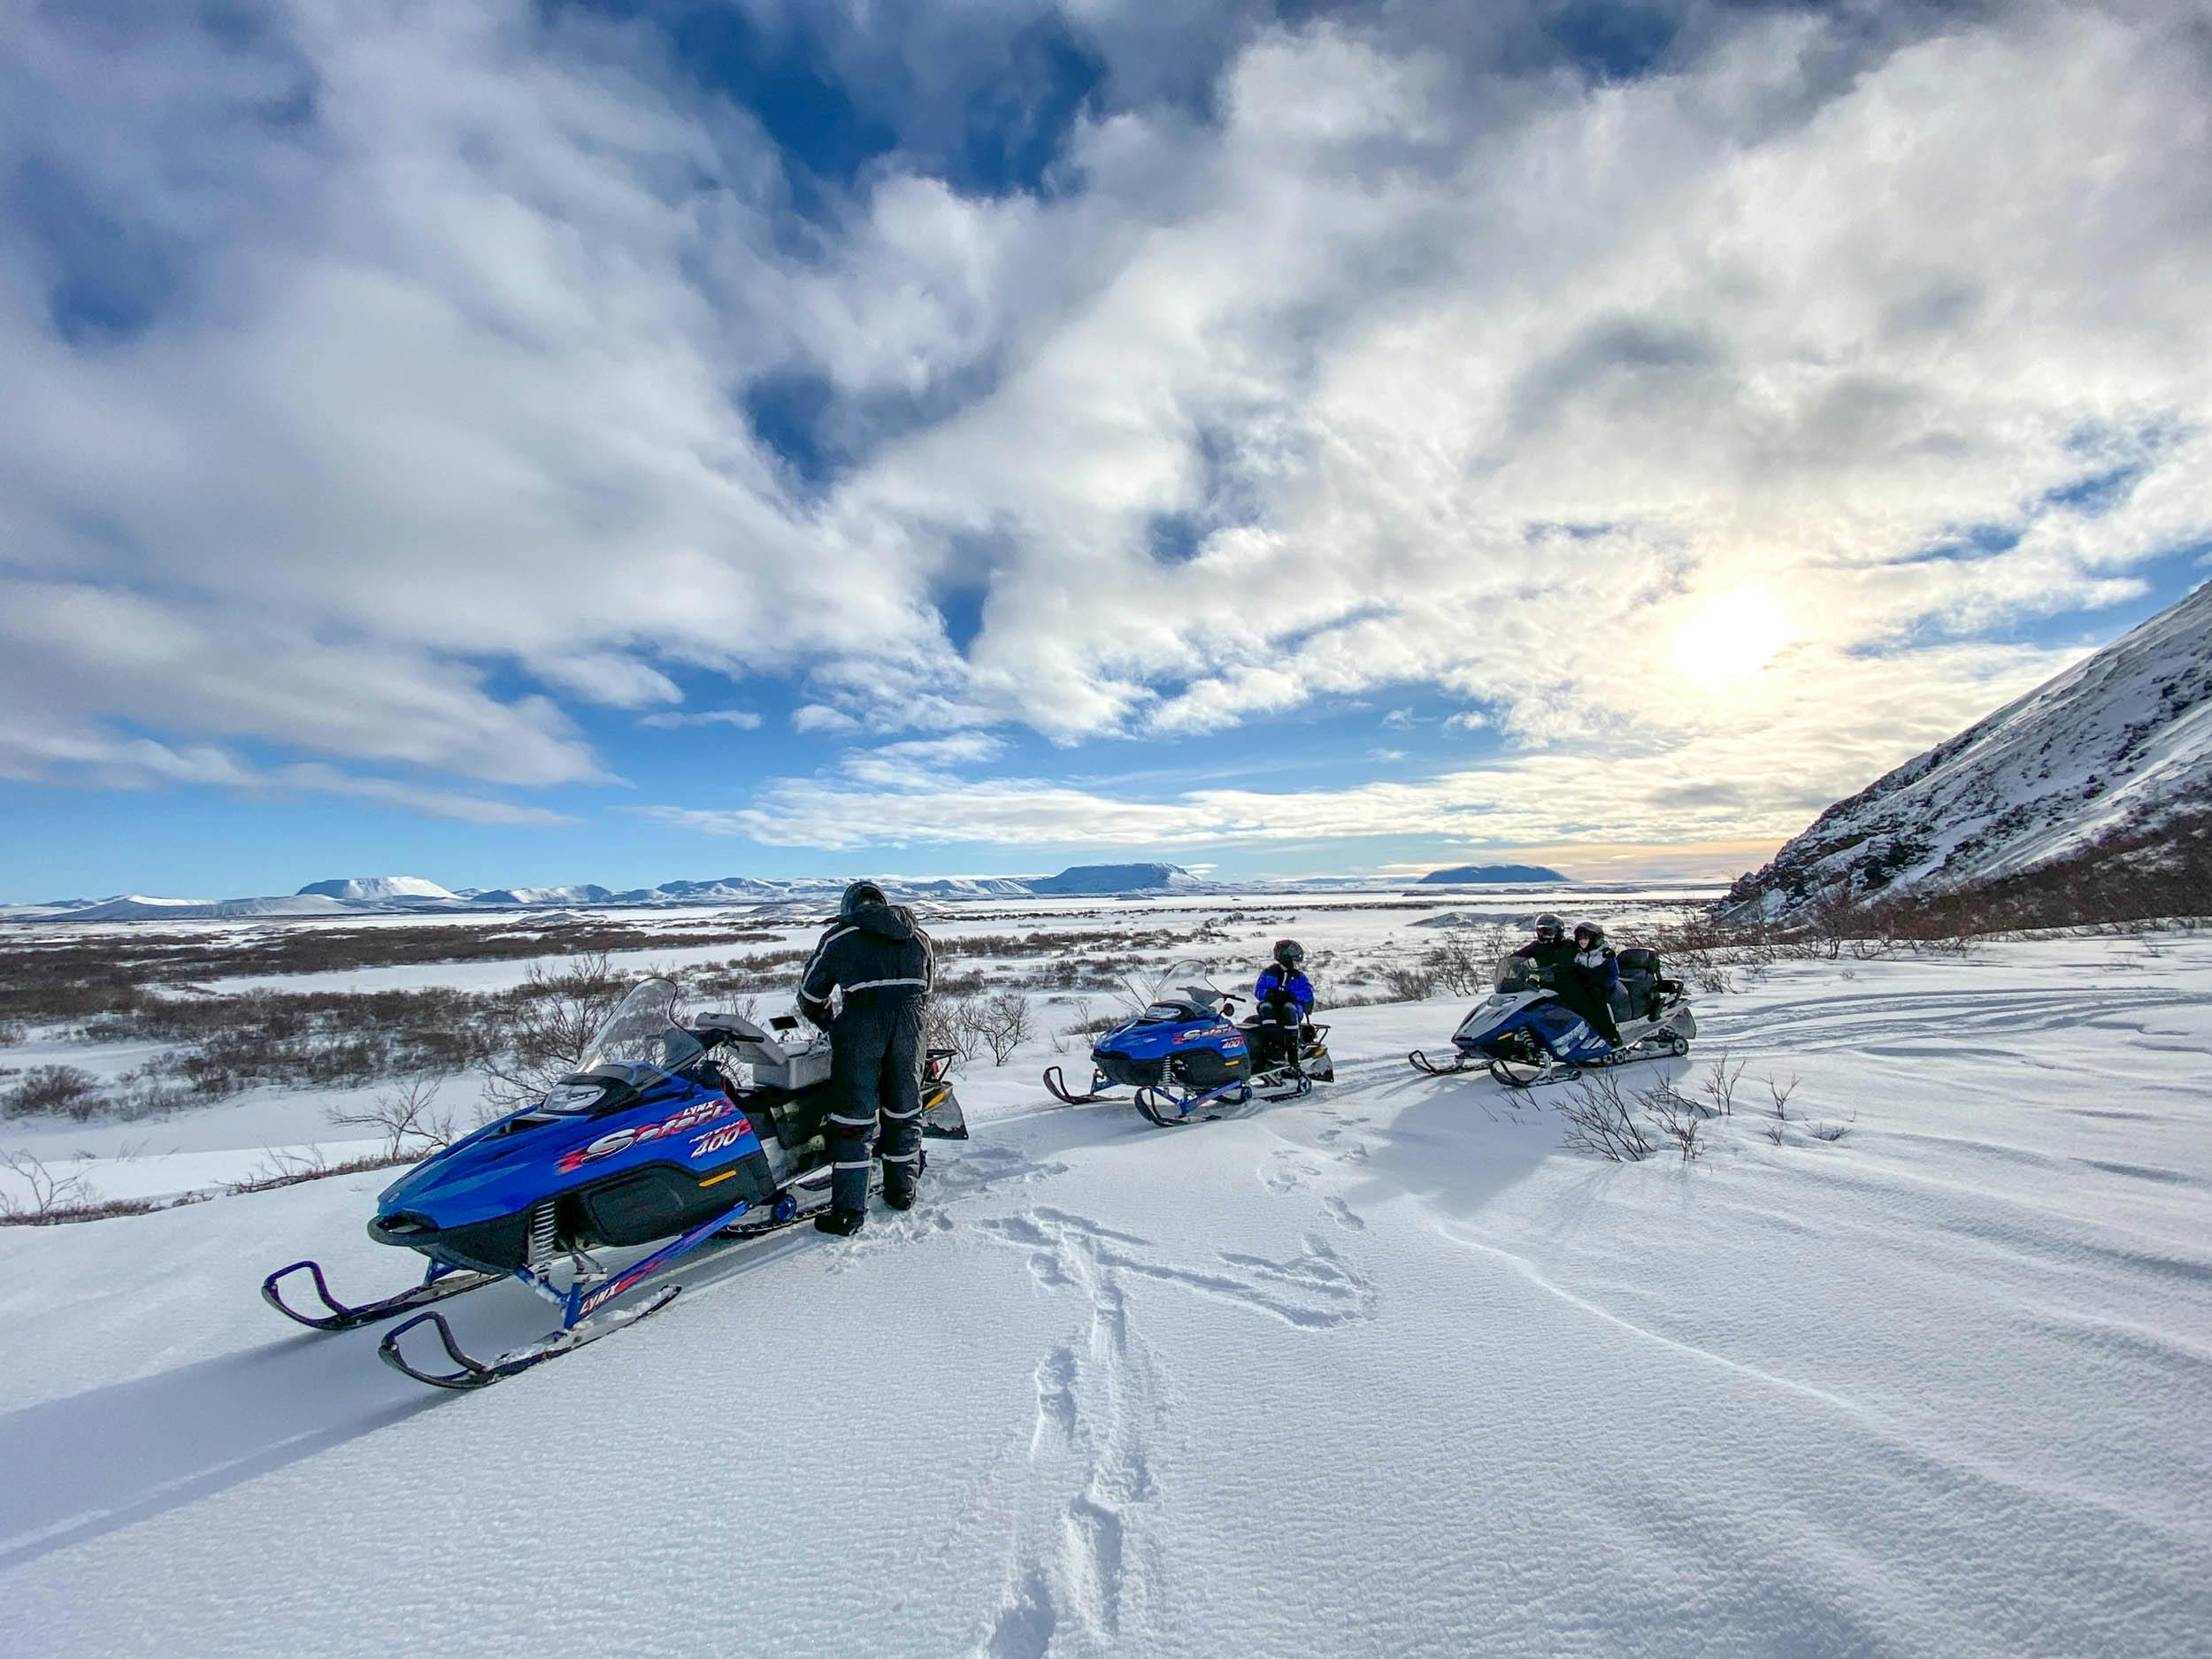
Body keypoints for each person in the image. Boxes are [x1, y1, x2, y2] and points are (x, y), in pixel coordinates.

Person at [796, 879, 934, 1236]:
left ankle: (848, 1213)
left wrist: (830, 1024)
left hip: (861, 1031)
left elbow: (810, 994)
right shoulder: (919, 937)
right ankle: (902, 1192)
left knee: (853, 1121)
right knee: (904, 1112)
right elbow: (927, 988)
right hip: (912, 1029)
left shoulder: (839, 938)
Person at [1557, 920, 1624, 1049]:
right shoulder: (1578, 954)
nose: (1582, 942)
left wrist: (1606, 986)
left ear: (1593, 939)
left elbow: (1614, 973)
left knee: (1597, 1001)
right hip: (1585, 986)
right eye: (1580, 939)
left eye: (1585, 939)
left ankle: (1611, 1034)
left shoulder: (1604, 953)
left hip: (1602, 986)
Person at [1251, 939, 1314, 1075]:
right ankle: (1272, 1050)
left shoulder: (1299, 976)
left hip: (1292, 1008)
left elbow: (1308, 993)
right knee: (1266, 1008)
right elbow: (1258, 991)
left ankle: (1292, 1054)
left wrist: (1291, 995)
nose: (1296, 961)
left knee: (1289, 1009)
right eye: (1293, 957)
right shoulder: (1269, 973)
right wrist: (1270, 994)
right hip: (1272, 1007)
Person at [1509, 913, 1578, 983]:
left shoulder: (1569, 945)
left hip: (1568, 983)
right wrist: (1519, 969)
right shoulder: (1537, 946)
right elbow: (1515, 957)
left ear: (1558, 931)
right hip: (1545, 984)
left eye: (1548, 932)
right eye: (1541, 931)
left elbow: (1584, 954)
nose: (1543, 935)